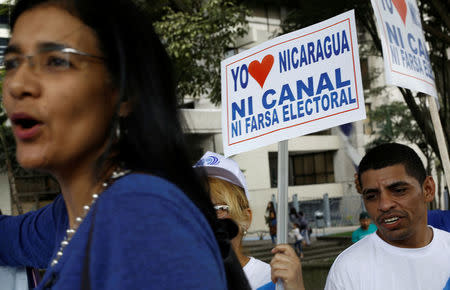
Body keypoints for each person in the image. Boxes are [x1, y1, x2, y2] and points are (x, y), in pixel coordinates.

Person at [0, 1, 245, 288]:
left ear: (124, 92)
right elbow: (7, 238)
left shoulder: (141, 212)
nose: (18, 84)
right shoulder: (71, 215)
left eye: (55, 61)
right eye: (12, 63)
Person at [325, 143, 450, 290]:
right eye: (371, 196)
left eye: (399, 190)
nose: (384, 205)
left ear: (428, 189)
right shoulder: (346, 270)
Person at [194, 151, 305, 290]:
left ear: (245, 219)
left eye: (218, 208)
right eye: (195, 208)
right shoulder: (175, 280)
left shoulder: (272, 281)